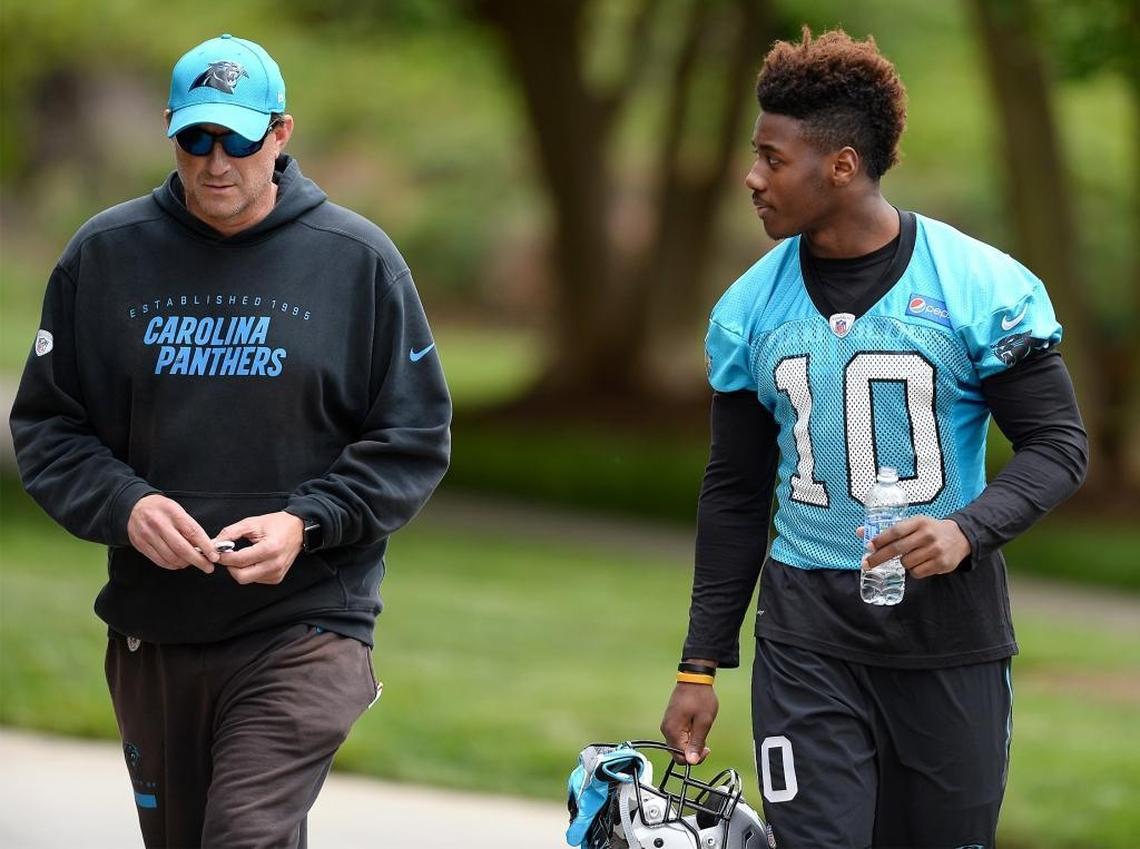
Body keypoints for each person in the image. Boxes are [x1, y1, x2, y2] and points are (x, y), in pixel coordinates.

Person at [9, 33, 451, 848]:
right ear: (170, 130)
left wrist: (306, 521)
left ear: (280, 134)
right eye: (197, 139)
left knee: (244, 835)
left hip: (307, 619)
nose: (216, 162)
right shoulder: (104, 257)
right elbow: (48, 425)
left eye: (239, 141)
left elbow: (414, 434)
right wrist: (125, 504)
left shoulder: (358, 262)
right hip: (155, 625)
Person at [660, 28, 1087, 849]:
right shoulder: (749, 309)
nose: (752, 178)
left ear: (842, 165)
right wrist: (698, 664)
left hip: (948, 638)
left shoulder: (976, 285)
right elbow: (735, 494)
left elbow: (1059, 445)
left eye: (772, 159)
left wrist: (966, 529)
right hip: (806, 636)